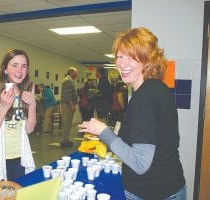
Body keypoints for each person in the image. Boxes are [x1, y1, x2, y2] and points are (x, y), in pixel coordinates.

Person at [78, 27, 186, 199]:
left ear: (147, 60)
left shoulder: (145, 97)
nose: (122, 64)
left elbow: (140, 163)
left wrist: (103, 131)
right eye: (120, 57)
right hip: (169, 186)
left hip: (151, 192)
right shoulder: (158, 88)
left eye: (131, 57)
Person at [0, 48, 36, 183]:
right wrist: (4, 108)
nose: (20, 70)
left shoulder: (26, 93)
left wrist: (33, 105)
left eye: (24, 66)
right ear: (5, 69)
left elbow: (29, 129)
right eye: (14, 65)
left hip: (19, 156)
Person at [60, 67, 78, 147]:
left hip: (68, 104)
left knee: (68, 123)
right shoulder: (67, 81)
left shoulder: (69, 80)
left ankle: (66, 139)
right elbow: (68, 95)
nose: (76, 75)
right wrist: (72, 105)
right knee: (66, 123)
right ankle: (64, 141)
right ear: (71, 72)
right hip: (67, 105)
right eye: (75, 73)